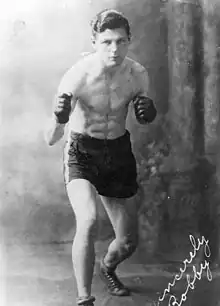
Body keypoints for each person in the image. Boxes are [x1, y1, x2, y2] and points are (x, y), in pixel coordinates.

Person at [46, 9, 157, 306]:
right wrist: (59, 118)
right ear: (94, 41)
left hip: (118, 153)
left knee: (128, 242)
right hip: (82, 152)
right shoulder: (77, 76)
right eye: (107, 42)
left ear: (129, 41)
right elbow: (51, 138)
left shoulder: (137, 74)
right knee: (89, 219)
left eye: (121, 41)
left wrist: (148, 115)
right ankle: (84, 298)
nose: (114, 49)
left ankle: (107, 268)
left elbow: (143, 118)